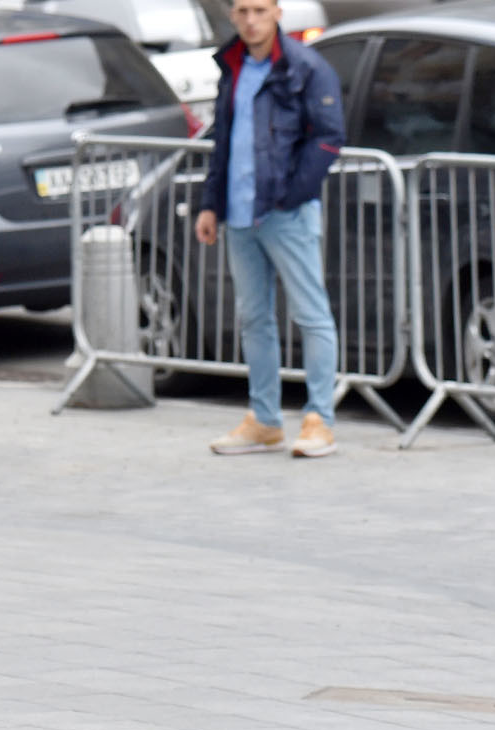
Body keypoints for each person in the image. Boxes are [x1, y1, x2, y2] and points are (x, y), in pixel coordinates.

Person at [195, 0, 346, 458]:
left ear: (278, 12)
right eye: (242, 10)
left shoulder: (306, 67)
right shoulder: (233, 67)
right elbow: (224, 140)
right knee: (253, 317)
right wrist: (210, 204)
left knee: (310, 313)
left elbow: (329, 135)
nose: (250, 20)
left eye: (259, 10)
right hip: (240, 213)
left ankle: (320, 419)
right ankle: (265, 419)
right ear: (232, 15)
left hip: (285, 213)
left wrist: (292, 194)